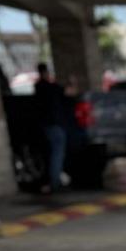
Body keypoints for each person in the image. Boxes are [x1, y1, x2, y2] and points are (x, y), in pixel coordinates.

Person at [33, 62, 71, 194]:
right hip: (55, 125)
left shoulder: (38, 87)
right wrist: (71, 82)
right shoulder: (51, 87)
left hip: (45, 126)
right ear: (46, 72)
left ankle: (54, 181)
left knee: (52, 153)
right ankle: (55, 182)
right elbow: (69, 92)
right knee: (57, 154)